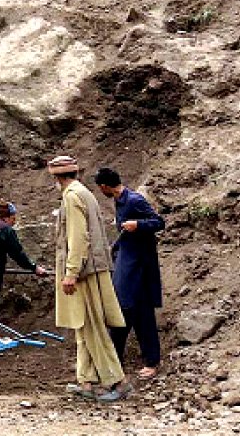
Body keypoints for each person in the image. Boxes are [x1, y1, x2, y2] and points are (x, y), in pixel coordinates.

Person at [48, 155, 132, 403]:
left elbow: (78, 238)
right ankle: (86, 381)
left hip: (84, 273)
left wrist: (71, 273)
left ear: (57, 177)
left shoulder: (72, 197)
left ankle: (119, 381)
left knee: (93, 327)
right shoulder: (83, 193)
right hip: (92, 269)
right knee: (83, 327)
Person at [94, 167, 165, 380]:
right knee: (122, 312)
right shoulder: (120, 201)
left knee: (137, 313)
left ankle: (150, 362)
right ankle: (115, 361)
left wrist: (138, 224)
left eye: (100, 188)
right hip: (126, 262)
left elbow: (159, 222)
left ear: (105, 186)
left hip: (140, 268)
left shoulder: (134, 200)